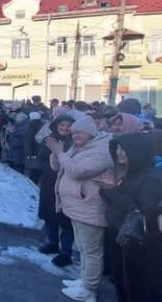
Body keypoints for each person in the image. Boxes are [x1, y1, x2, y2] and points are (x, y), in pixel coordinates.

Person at [47, 116, 115, 302]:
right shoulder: (80, 146)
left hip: (90, 207)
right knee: (83, 248)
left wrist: (60, 153)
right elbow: (57, 167)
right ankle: (84, 280)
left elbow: (79, 171)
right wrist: (56, 153)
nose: (75, 135)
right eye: (74, 132)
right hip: (78, 207)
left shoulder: (103, 149)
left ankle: (89, 289)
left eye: (79, 132)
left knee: (92, 251)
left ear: (91, 132)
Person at [100, 133, 162, 302]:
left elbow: (141, 211)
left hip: (139, 250)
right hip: (121, 240)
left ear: (138, 151)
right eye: (117, 148)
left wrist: (113, 190)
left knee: (137, 289)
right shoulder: (129, 173)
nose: (119, 152)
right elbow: (119, 204)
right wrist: (107, 190)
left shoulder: (153, 178)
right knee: (122, 285)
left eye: (124, 149)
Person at [37, 114, 76, 268]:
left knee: (66, 219)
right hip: (49, 182)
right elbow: (41, 159)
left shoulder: (76, 142)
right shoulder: (49, 140)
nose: (65, 128)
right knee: (49, 214)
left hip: (68, 183)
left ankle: (65, 251)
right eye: (62, 125)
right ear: (56, 126)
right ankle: (52, 242)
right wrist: (51, 170)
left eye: (68, 126)